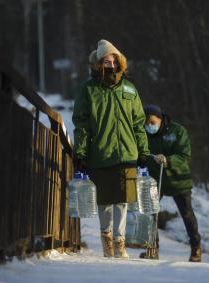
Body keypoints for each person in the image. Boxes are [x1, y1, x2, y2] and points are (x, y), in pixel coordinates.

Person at [72, 39, 149, 258]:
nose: (110, 64)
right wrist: (81, 152)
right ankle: (106, 240)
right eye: (106, 61)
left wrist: (143, 151)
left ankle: (120, 243)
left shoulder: (129, 89)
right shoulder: (88, 90)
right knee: (105, 201)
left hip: (127, 153)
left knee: (123, 200)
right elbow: (82, 124)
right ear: (98, 64)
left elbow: (138, 123)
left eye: (113, 60)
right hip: (101, 153)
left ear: (119, 62)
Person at [141, 104, 202, 262]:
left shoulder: (177, 131)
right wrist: (148, 159)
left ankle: (196, 247)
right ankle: (152, 248)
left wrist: (168, 160)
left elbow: (184, 155)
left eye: (152, 123)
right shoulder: (143, 133)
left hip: (178, 179)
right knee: (150, 213)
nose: (149, 126)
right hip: (156, 178)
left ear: (161, 120)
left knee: (187, 214)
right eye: (146, 124)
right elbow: (140, 153)